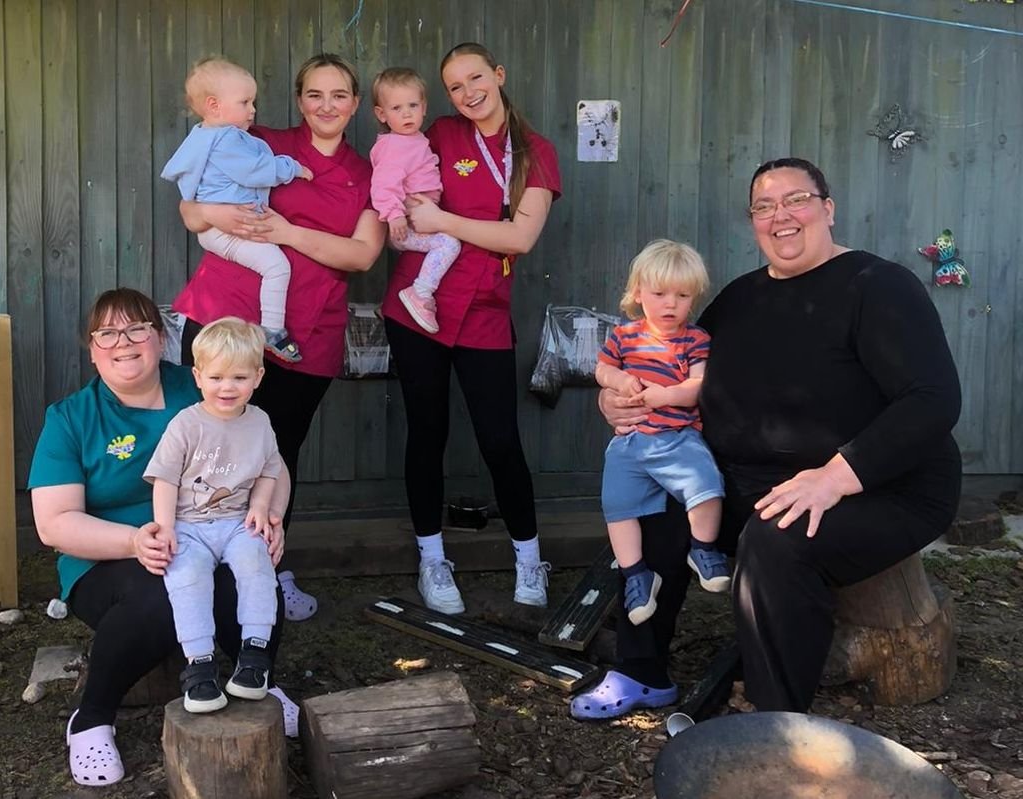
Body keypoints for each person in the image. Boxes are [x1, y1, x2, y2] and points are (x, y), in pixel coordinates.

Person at [571, 157, 961, 719]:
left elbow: (932, 399)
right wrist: (616, 400)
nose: (781, 215)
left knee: (776, 539)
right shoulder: (739, 299)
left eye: (797, 199)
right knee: (655, 504)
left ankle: (773, 720)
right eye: (764, 206)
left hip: (881, 486)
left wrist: (834, 477)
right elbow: (678, 376)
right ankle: (642, 672)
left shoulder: (878, 286)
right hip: (753, 476)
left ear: (828, 209)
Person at [29, 289, 296, 787]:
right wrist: (135, 541)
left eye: (137, 329)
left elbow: (269, 460)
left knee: (251, 572)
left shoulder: (203, 383)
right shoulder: (71, 418)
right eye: (107, 333)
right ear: (92, 349)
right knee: (158, 596)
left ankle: (257, 677)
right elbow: (54, 523)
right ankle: (92, 717)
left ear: (160, 338)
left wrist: (272, 518)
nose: (123, 342)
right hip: (109, 555)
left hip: (214, 531)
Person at [174, 53, 385, 622]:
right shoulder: (258, 141)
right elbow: (191, 210)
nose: (326, 105)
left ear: (355, 103)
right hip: (225, 319)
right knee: (203, 451)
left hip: (307, 334)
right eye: (314, 94)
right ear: (299, 100)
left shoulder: (367, 173)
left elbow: (363, 254)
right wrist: (214, 214)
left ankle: (263, 575)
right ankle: (197, 582)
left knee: (275, 455)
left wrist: (287, 232)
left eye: (338, 94)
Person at [379, 42, 562, 614]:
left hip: (484, 309)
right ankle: (432, 559)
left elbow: (520, 238)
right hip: (419, 305)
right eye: (455, 86)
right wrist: (397, 217)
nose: (468, 93)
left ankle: (529, 559)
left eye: (476, 78)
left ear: (498, 75)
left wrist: (442, 220)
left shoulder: (534, 151)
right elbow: (395, 178)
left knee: (500, 440)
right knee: (426, 433)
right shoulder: (438, 132)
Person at [145, 318, 282, 713]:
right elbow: (165, 479)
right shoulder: (186, 424)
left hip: (238, 522)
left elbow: (270, 469)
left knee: (258, 565)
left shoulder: (260, 422)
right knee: (187, 577)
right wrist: (165, 527)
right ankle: (199, 665)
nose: (227, 387)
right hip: (189, 526)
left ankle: (254, 656)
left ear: (258, 377)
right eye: (216, 377)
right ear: (198, 376)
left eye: (239, 377)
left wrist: (261, 507)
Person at [595, 240, 730, 627]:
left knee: (706, 487)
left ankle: (703, 548)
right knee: (617, 507)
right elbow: (602, 370)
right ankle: (636, 574)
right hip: (630, 441)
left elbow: (698, 385)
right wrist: (618, 381)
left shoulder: (695, 340)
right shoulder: (624, 336)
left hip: (677, 438)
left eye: (682, 296)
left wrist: (667, 395)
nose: (671, 304)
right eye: (659, 294)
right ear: (638, 293)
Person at [161, 58, 313, 363]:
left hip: (216, 229)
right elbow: (255, 171)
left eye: (252, 102)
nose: (252, 109)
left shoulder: (204, 135)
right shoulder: (226, 140)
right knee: (276, 267)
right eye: (245, 102)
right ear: (214, 106)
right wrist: (292, 167)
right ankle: (273, 331)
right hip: (225, 229)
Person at [369, 66, 460, 334]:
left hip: (417, 218)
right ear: (382, 114)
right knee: (448, 243)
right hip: (404, 224)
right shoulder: (394, 146)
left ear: (424, 108)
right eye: (396, 108)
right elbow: (384, 184)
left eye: (413, 105)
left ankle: (399, 301)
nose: (407, 113)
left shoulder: (413, 139)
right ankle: (420, 293)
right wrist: (394, 214)